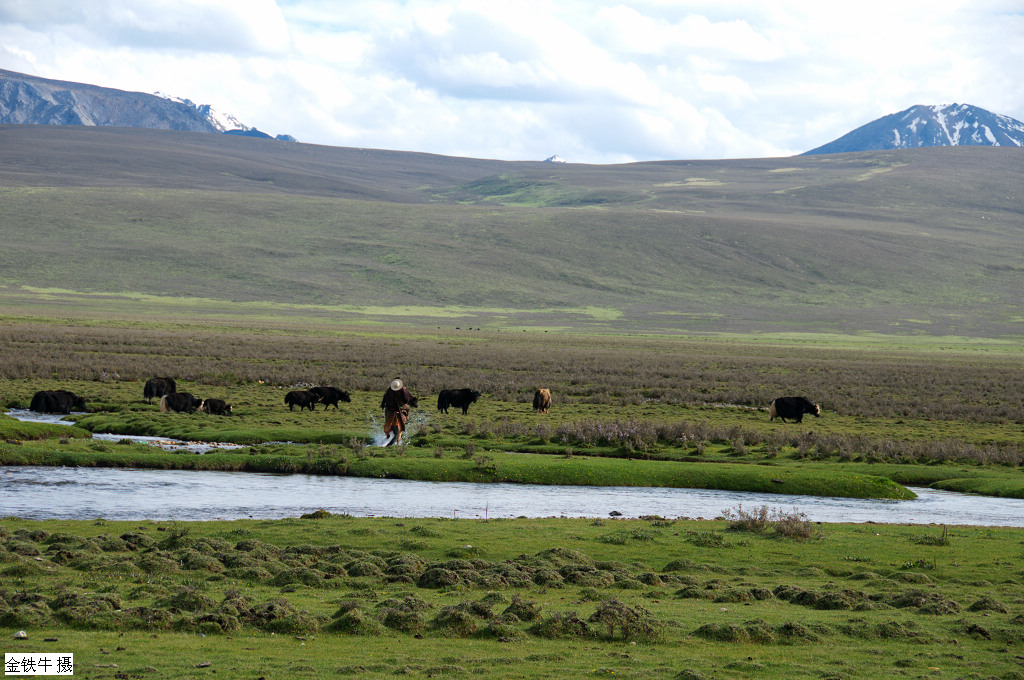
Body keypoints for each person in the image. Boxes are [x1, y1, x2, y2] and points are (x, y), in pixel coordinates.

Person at [380, 377, 413, 446]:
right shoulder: (403, 390)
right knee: (406, 409)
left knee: (388, 415)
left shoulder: (389, 390)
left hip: (392, 408)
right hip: (398, 408)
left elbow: (385, 399)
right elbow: (407, 399)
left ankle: (389, 429)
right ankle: (403, 423)